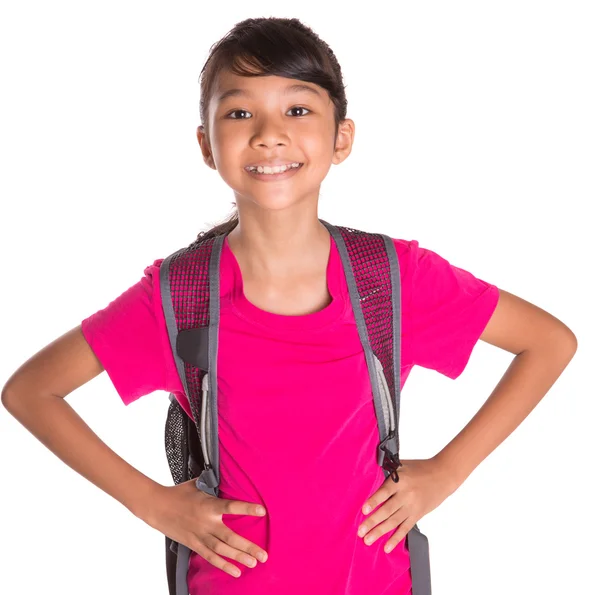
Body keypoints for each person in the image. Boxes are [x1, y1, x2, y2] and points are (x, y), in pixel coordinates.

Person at [1, 16, 578, 595]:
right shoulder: (179, 296)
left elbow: (548, 342)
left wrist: (448, 472)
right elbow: (31, 391)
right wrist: (152, 504)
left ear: (341, 138)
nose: (269, 134)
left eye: (297, 110)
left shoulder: (391, 279)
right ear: (207, 144)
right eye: (239, 112)